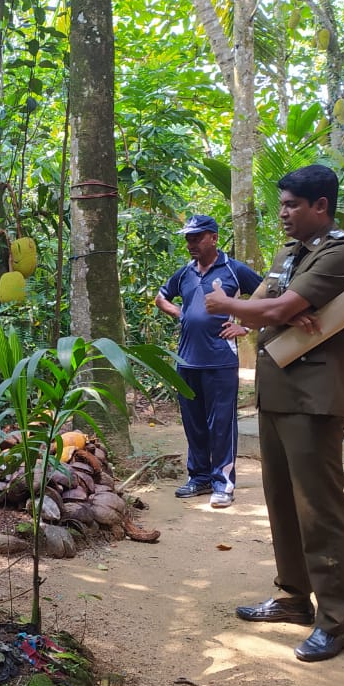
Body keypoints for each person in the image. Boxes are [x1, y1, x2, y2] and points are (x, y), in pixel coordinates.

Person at [204, 164, 344, 662]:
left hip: (315, 400)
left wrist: (246, 306)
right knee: (281, 501)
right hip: (277, 393)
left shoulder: (343, 252)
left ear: (321, 205)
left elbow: (261, 309)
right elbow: (261, 304)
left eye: (292, 205)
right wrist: (266, 308)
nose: (283, 214)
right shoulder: (289, 254)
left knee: (320, 509)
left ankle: (336, 620)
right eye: (281, 205)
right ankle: (295, 597)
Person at [154, 213, 261, 508]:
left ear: (213, 238)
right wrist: (181, 314)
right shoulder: (184, 273)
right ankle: (199, 478)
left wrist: (246, 326)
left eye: (197, 237)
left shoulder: (235, 270)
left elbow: (268, 297)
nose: (191, 243)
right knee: (194, 424)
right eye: (188, 238)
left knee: (222, 424)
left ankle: (223, 483)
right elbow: (161, 296)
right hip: (186, 361)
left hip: (220, 361)